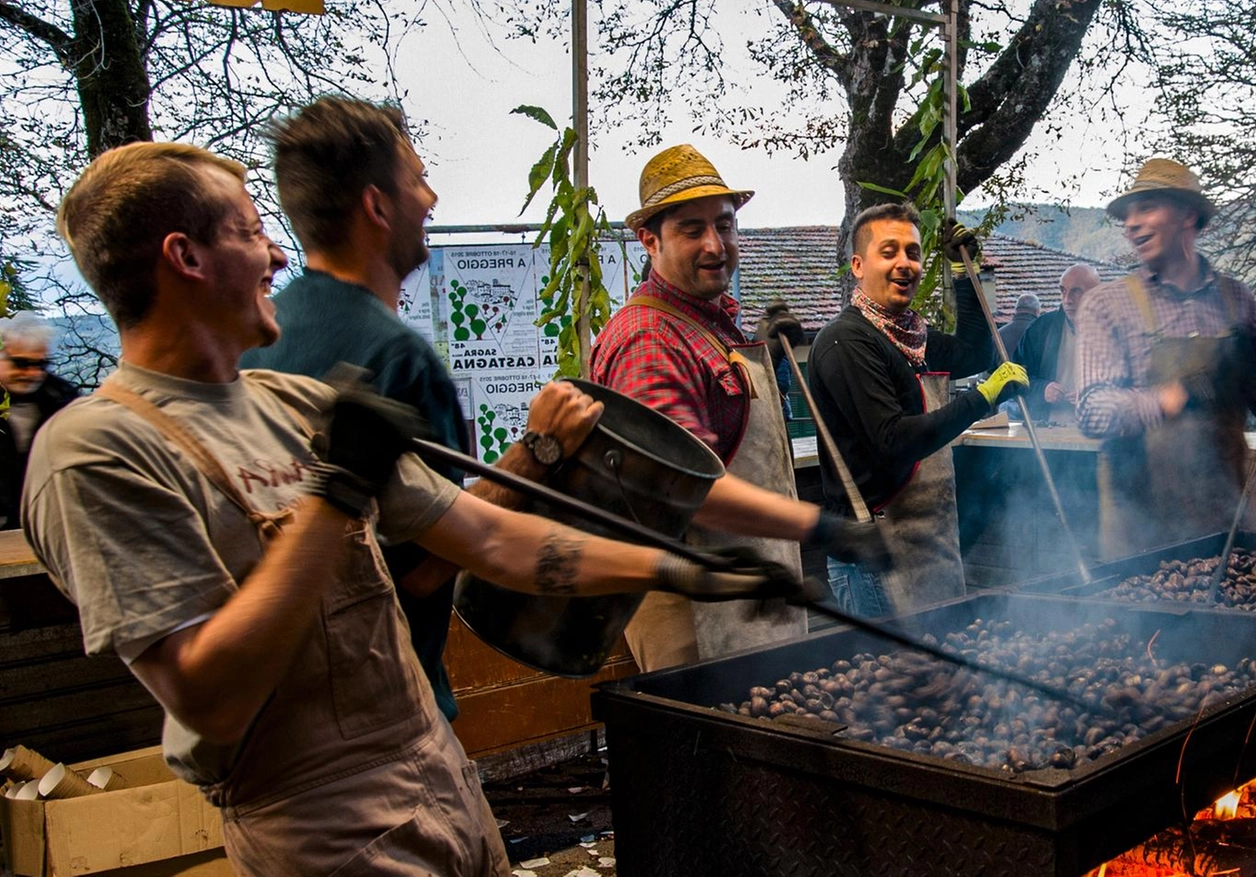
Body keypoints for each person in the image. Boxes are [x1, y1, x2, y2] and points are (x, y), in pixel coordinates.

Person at [33, 141, 804, 875]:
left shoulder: (292, 403)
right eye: (252, 233)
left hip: (436, 767)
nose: (277, 257)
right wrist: (334, 494)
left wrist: (693, 569)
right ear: (185, 257)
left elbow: (493, 539)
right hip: (320, 821)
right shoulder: (100, 449)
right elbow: (206, 692)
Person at [591, 143, 889, 669]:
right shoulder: (648, 338)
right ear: (648, 239)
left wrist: (768, 356)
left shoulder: (705, 321)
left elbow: (723, 425)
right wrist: (823, 527)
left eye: (724, 225)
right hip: (691, 609)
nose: (715, 244)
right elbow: (682, 484)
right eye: (691, 229)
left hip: (750, 584)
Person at [238, 96, 466, 722]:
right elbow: (421, 568)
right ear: (377, 206)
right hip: (390, 707)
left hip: (284, 709)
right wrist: (536, 459)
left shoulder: (255, 336)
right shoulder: (398, 358)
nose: (431, 199)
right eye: (417, 180)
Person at [1076, 158, 1256, 560]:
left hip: (1228, 521)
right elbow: (1091, 412)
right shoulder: (1108, 305)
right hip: (1142, 530)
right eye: (1127, 215)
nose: (1131, 224)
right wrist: (1176, 395)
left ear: (1188, 214)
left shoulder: (1235, 299)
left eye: (1147, 207)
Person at [807, 204, 1029, 617]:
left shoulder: (910, 337)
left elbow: (973, 351)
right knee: (890, 677)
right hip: (874, 556)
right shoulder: (847, 342)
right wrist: (982, 398)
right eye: (888, 252)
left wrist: (965, 275)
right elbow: (893, 440)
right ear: (857, 264)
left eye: (912, 252)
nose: (904, 263)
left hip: (927, 542)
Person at [0, 313, 77, 529]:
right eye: (20, 363)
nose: (32, 373)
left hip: (51, 528)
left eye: (41, 365)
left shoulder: (63, 400)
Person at [1013, 263, 1101, 425]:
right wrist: (1042, 390)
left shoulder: (1116, 329)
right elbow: (1014, 381)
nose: (1067, 300)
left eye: (1076, 291)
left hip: (1103, 433)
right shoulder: (1040, 329)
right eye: (1063, 291)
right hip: (1050, 432)